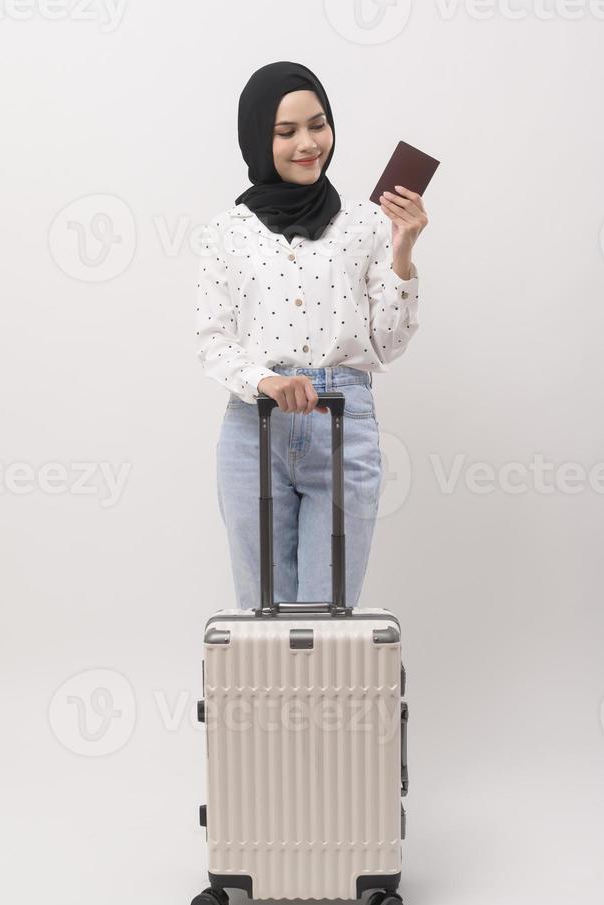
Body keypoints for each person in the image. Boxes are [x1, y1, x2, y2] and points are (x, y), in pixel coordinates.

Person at [195, 61, 428, 610]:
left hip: (343, 425)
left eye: (318, 125)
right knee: (262, 620)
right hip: (255, 429)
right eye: (286, 132)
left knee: (330, 620)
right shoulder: (225, 233)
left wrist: (402, 253)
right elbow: (213, 339)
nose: (308, 143)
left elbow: (387, 345)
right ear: (257, 137)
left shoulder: (367, 224)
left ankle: (329, 702)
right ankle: (264, 702)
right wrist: (266, 381)